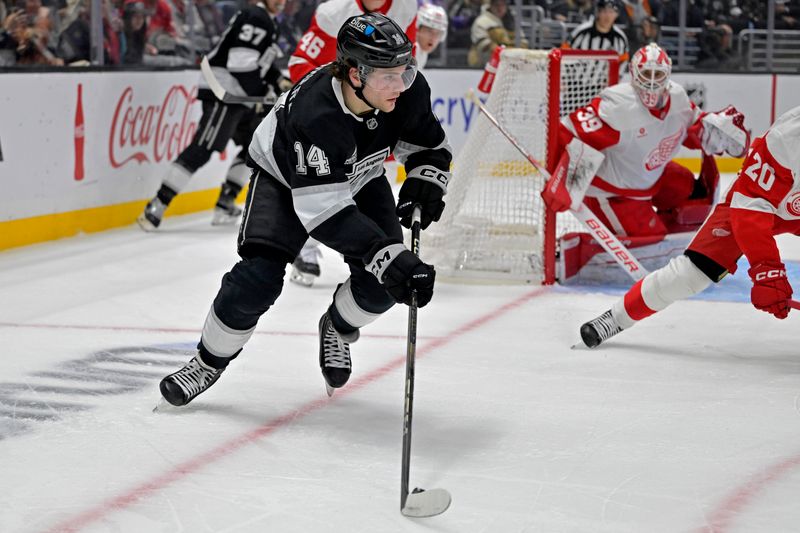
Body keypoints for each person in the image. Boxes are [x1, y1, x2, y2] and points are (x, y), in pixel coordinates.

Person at [157, 13, 452, 406]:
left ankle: (337, 325)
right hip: (284, 179)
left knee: (383, 286)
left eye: (404, 71)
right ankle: (207, 362)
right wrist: (387, 254)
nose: (400, 84)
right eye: (387, 75)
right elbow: (323, 210)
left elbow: (430, 145)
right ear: (354, 74)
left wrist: (425, 180)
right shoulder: (316, 113)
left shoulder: (406, 90)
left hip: (360, 175)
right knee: (256, 279)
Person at [580, 105, 800, 348]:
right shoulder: (789, 137)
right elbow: (750, 213)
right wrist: (768, 273)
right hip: (755, 203)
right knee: (690, 274)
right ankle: (616, 318)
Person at [541, 43, 749, 278]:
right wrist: (567, 179)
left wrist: (716, 131)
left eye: (657, 74)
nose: (651, 81)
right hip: (614, 191)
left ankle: (656, 227)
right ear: (633, 73)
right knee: (653, 250)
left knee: (691, 190)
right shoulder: (618, 106)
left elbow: (693, 130)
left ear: (667, 75)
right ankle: (575, 256)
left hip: (650, 174)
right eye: (646, 74)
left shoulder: (679, 98)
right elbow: (567, 134)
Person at [285, 0, 418, 287]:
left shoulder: (406, 8)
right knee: (318, 182)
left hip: (375, 107)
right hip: (331, 115)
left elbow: (409, 61)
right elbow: (299, 61)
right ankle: (305, 250)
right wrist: (316, 99)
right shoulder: (334, 12)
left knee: (368, 178)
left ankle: (370, 262)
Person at [138, 0, 290, 230]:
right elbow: (240, 65)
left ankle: (225, 203)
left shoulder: (266, 19)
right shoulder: (256, 17)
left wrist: (278, 80)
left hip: (240, 94)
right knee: (204, 147)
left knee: (256, 145)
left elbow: (259, 64)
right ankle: (157, 205)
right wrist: (261, 94)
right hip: (225, 91)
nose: (281, 1)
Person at [564, 0, 629, 68]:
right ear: (598, 12)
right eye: (604, 11)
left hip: (608, 78)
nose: (608, 16)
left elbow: (623, 61)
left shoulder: (620, 37)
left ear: (617, 15)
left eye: (611, 12)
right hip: (578, 77)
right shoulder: (581, 32)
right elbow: (563, 54)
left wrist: (616, 76)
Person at [468, 0, 526, 68]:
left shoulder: (512, 22)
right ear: (491, 6)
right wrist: (510, 54)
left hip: (509, 66)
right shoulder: (481, 22)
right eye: (497, 5)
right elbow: (485, 46)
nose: (500, 8)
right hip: (483, 67)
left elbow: (523, 43)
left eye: (503, 5)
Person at [415, 3, 448, 69]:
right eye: (429, 31)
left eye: (438, 33)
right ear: (417, 29)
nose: (433, 37)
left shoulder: (422, 53)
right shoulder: (412, 50)